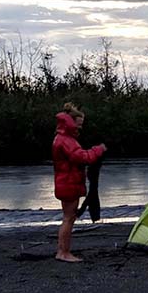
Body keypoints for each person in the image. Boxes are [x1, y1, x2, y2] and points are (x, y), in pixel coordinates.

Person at [51, 103, 106, 262]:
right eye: (78, 124)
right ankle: (63, 253)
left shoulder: (62, 138)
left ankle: (62, 251)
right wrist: (98, 150)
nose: (80, 128)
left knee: (69, 217)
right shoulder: (66, 140)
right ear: (71, 122)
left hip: (66, 181)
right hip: (68, 183)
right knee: (69, 218)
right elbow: (82, 157)